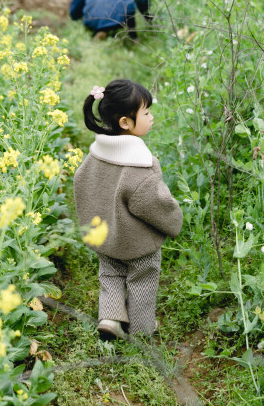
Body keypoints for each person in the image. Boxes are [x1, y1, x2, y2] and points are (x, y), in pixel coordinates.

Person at [72, 79, 183, 340]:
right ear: (125, 122)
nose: (151, 117)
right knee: (142, 279)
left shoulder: (95, 155)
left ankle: (110, 318)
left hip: (105, 238)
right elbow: (154, 203)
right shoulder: (141, 165)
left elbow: (80, 181)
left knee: (110, 274)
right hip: (137, 243)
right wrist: (174, 221)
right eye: (145, 113)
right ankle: (142, 330)